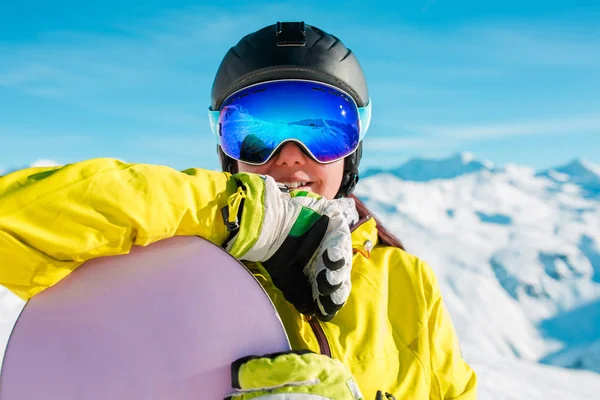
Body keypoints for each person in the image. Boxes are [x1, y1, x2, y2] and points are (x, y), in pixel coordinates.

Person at [0, 22, 477, 399]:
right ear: (227, 153)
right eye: (257, 132)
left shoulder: (407, 282)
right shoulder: (165, 257)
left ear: (352, 152)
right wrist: (237, 212)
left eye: (323, 129)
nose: (290, 155)